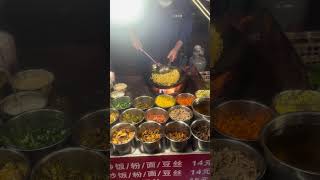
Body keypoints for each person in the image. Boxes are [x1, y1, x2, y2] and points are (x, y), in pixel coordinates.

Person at [129, 0, 193, 65]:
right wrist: (134, 37)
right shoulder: (145, 4)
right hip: (148, 52)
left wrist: (176, 48)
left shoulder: (184, 5)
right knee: (149, 73)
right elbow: (131, 21)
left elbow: (186, 30)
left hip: (173, 52)